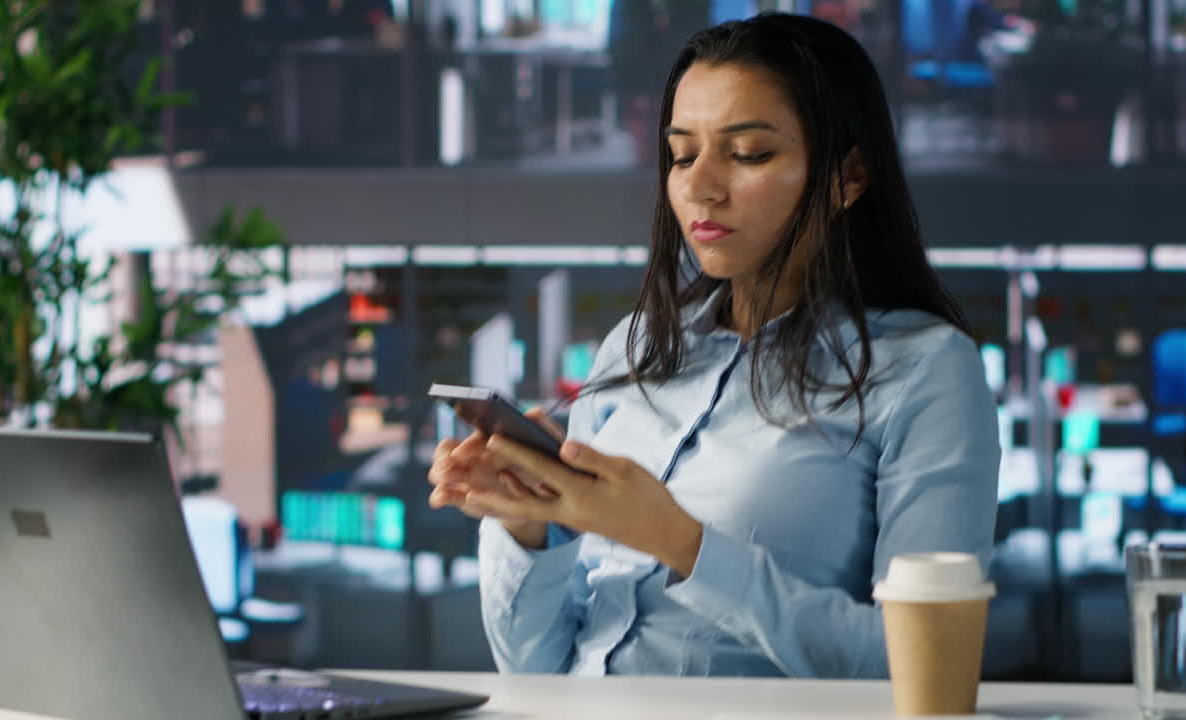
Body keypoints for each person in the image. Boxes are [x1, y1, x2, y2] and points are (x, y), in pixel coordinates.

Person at [428, 13, 1000, 678]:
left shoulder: (927, 371)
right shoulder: (634, 350)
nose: (700, 185)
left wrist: (678, 541)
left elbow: (924, 666)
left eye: (749, 153)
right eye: (681, 155)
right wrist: (529, 528)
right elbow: (533, 667)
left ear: (848, 177)